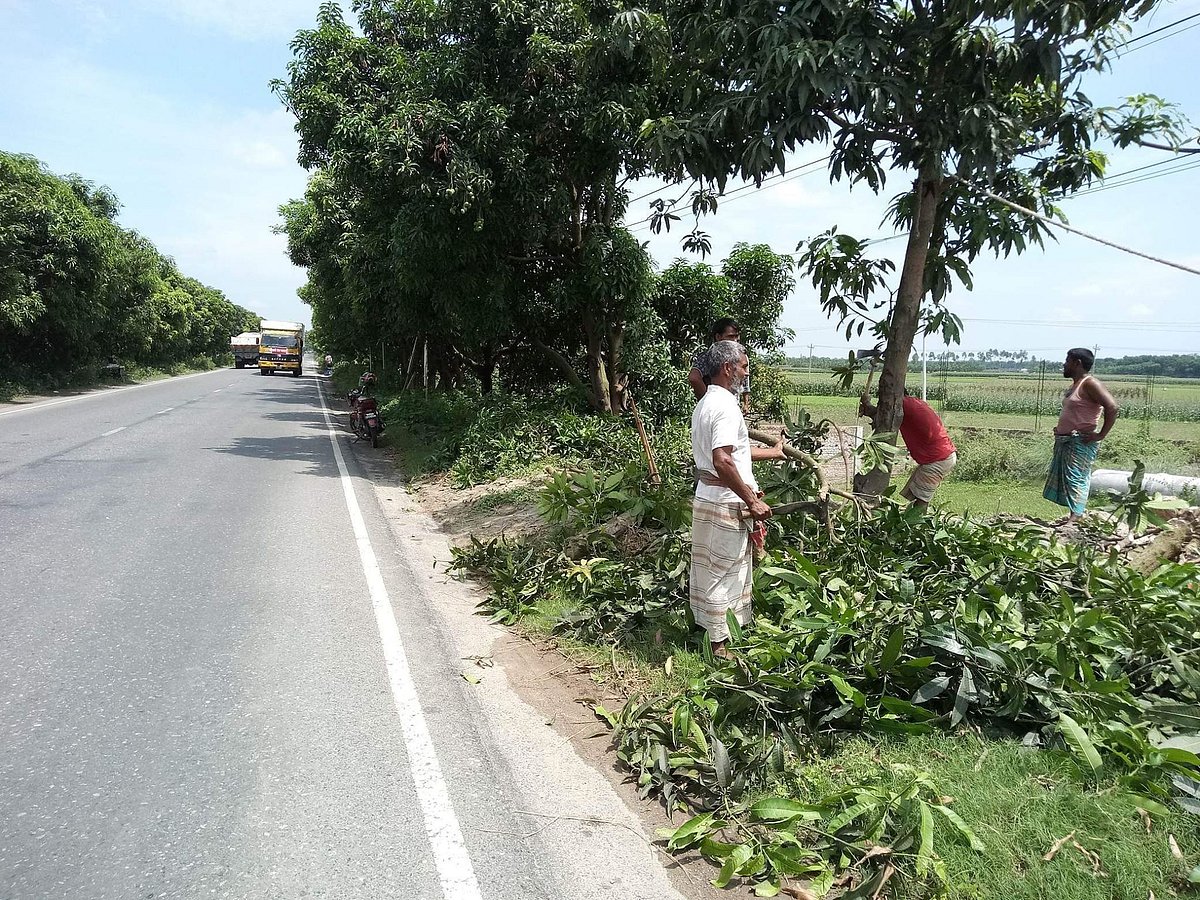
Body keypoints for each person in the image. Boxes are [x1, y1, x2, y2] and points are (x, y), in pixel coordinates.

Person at [690, 340, 785, 656]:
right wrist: (752, 501)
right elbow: (723, 460)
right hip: (726, 501)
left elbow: (735, 452)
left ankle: (710, 629)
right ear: (728, 368)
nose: (746, 373)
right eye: (743, 367)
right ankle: (719, 646)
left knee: (708, 567)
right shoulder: (727, 406)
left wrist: (773, 452)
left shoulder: (706, 402)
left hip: (708, 495)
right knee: (724, 571)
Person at [1043, 348, 1119, 524]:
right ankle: (1073, 515)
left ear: (1077, 363)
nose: (1064, 364)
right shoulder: (1076, 385)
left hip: (1080, 441)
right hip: (1066, 440)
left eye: (1067, 361)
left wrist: (1101, 434)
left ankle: (1076, 517)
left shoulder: (1090, 383)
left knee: (1076, 477)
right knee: (1070, 478)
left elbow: (1112, 407)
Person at [859, 389, 957, 510]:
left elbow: (885, 417)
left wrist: (868, 405)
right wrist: (869, 408)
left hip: (938, 459)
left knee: (921, 500)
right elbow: (884, 414)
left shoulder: (902, 406)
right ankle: (915, 518)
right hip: (942, 455)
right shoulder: (911, 404)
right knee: (914, 495)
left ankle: (917, 520)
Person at [689, 319, 741, 400]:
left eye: (736, 336)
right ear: (718, 337)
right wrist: (707, 399)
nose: (735, 340)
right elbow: (694, 378)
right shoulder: (708, 357)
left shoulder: (738, 357)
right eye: (730, 336)